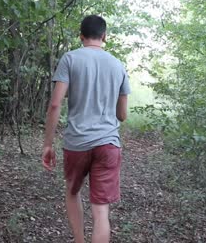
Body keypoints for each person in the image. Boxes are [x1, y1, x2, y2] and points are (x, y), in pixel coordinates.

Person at [41, 15, 131, 243]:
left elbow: (55, 104)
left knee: (72, 192)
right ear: (104, 37)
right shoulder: (118, 65)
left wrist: (48, 144)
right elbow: (122, 115)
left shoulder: (70, 59)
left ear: (81, 36)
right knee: (101, 212)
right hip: (108, 144)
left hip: (76, 143)